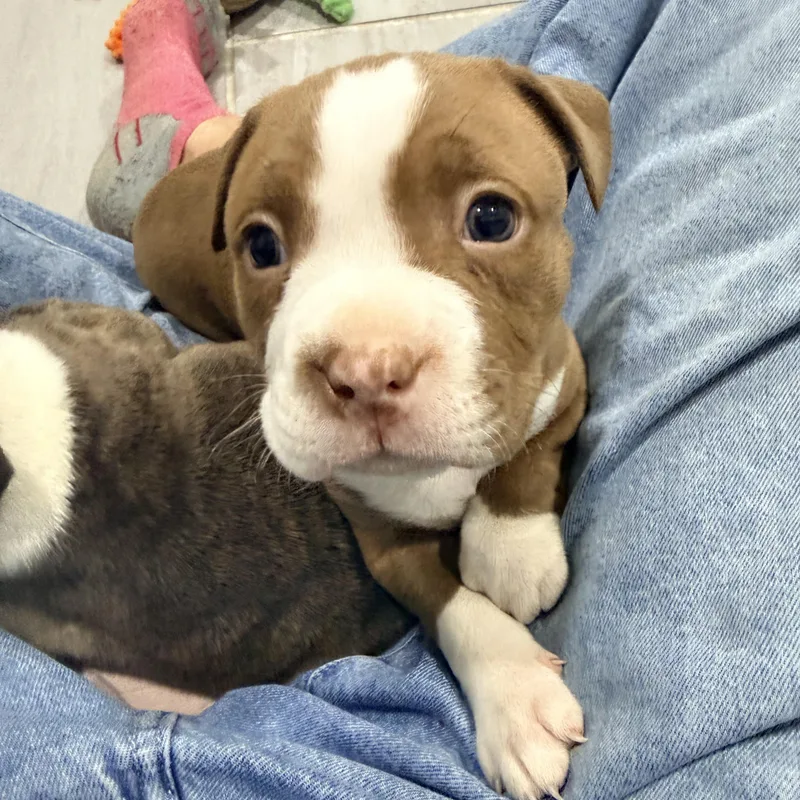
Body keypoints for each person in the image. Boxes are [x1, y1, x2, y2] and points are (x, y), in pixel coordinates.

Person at [1, 0, 799, 797]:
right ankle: (189, 151)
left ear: (574, 170)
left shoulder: (537, 359)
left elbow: (561, 392)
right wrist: (482, 645)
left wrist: (517, 502)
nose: (366, 364)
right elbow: (390, 545)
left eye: (488, 219)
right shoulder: (192, 249)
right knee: (155, 241)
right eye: (267, 247)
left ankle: (186, 132)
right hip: (184, 229)